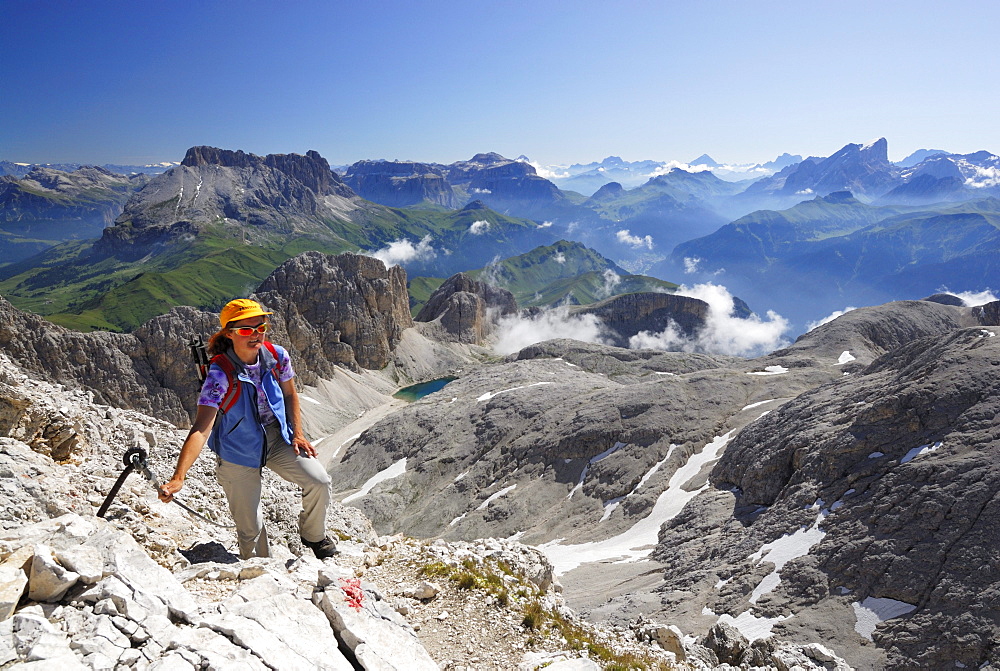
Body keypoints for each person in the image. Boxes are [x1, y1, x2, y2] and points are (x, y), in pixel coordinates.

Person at [158, 298, 337, 560]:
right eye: (245, 330)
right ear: (229, 334)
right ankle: (259, 571)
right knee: (250, 530)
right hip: (237, 451)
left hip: (276, 438)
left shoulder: (276, 356)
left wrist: (297, 433)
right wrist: (178, 478)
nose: (255, 335)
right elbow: (202, 428)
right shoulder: (219, 374)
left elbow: (290, 394)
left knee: (319, 481)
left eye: (260, 327)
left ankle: (313, 536)